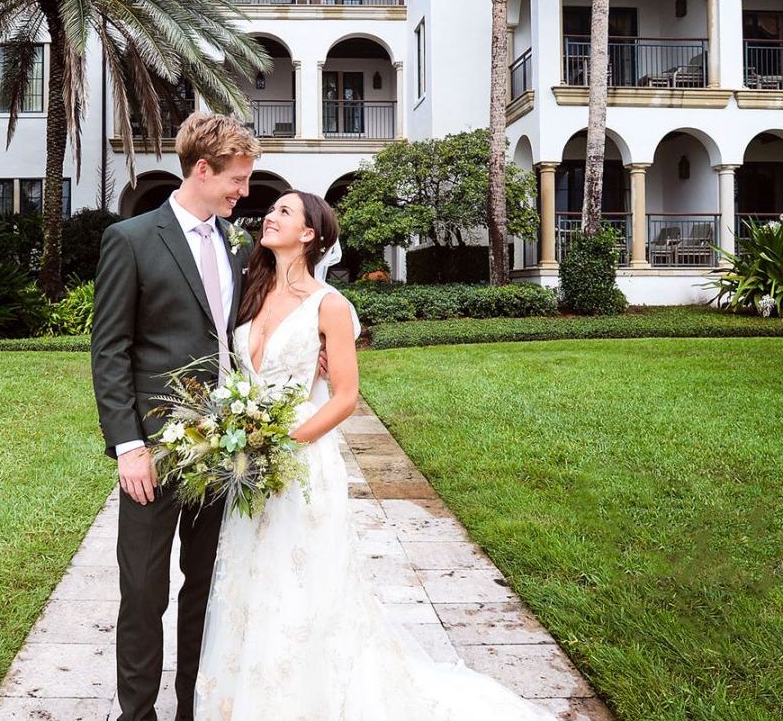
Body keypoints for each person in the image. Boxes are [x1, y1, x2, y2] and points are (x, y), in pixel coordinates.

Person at [192, 190, 557, 721]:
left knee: (303, 585)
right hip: (248, 462)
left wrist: (282, 441)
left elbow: (344, 396)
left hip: (301, 461)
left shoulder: (331, 305)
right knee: (251, 578)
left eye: (284, 212)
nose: (269, 216)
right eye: (271, 211)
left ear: (311, 234)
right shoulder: (249, 290)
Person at [92, 112, 259, 721]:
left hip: (224, 449)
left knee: (206, 590)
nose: (244, 191)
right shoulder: (132, 239)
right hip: (155, 453)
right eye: (236, 179)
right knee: (142, 592)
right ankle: (137, 714)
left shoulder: (237, 243)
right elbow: (109, 350)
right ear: (202, 169)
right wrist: (128, 445)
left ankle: (194, 707)